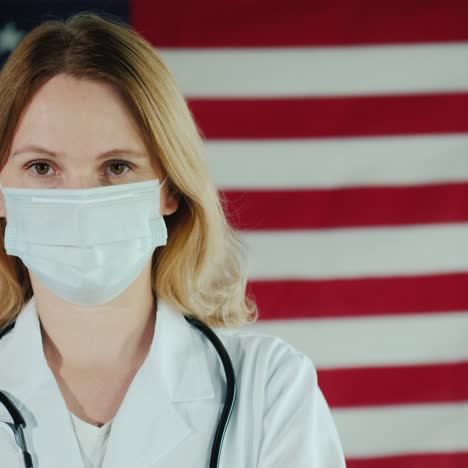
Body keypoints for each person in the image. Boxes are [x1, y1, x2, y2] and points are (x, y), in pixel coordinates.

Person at [0, 11, 346, 468]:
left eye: (117, 167)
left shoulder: (267, 388)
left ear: (170, 190)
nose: (81, 201)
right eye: (42, 167)